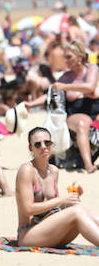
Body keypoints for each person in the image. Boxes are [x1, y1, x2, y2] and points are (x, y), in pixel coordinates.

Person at [15, 127, 99, 246]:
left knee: (84, 211)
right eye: (38, 144)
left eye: (47, 142)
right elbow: (28, 210)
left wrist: (72, 197)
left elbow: (54, 209)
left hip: (50, 231)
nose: (43, 146)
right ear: (31, 148)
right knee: (77, 212)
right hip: (28, 234)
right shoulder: (27, 170)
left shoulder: (54, 171)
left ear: (52, 144)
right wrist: (61, 200)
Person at [52, 41, 99, 173]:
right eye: (65, 57)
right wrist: (31, 104)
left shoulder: (92, 69)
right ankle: (88, 165)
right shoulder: (66, 77)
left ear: (79, 57)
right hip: (75, 114)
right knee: (82, 123)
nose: (66, 61)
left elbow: (90, 87)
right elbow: (51, 93)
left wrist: (65, 87)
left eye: (69, 57)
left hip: (95, 111)